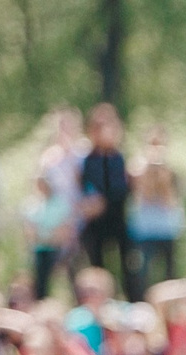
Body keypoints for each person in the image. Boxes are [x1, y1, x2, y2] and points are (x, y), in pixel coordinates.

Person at [31, 108, 87, 301]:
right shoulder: (49, 157)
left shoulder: (83, 154)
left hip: (78, 220)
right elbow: (40, 187)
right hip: (54, 221)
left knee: (76, 268)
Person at [77, 105, 132, 292]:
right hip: (96, 223)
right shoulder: (89, 159)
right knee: (96, 265)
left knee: (128, 264)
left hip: (117, 219)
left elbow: (121, 189)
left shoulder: (118, 158)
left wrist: (104, 201)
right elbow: (85, 186)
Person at [126, 128, 183, 301]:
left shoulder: (170, 169)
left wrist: (163, 177)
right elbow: (141, 196)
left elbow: (170, 200)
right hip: (144, 228)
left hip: (166, 227)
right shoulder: (137, 167)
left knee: (169, 272)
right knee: (142, 271)